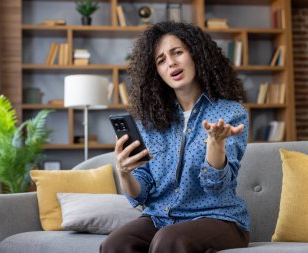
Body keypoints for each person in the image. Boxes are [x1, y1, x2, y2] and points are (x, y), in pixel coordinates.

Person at [100, 21, 250, 253]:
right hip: (161, 217)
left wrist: (215, 146)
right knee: (114, 244)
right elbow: (141, 193)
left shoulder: (230, 113)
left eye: (177, 52)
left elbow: (217, 188)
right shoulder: (150, 122)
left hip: (218, 217)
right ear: (156, 72)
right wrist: (124, 172)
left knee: (169, 241)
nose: (171, 63)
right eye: (161, 60)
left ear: (196, 54)